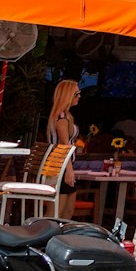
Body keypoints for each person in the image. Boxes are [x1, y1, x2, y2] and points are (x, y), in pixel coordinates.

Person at [47, 80, 82, 220]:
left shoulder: (64, 116)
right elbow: (64, 145)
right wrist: (69, 170)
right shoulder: (61, 118)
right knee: (56, 213)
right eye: (76, 94)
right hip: (59, 167)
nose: (79, 96)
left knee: (66, 213)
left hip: (61, 166)